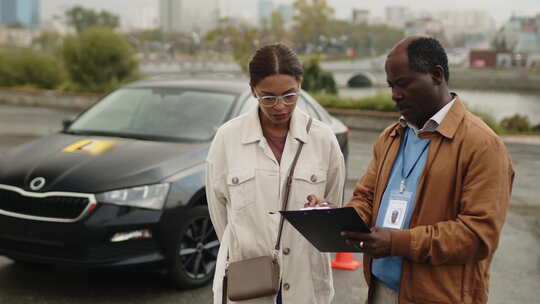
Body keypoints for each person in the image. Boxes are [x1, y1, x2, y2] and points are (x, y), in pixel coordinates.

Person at [306, 36, 515, 303]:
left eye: (403, 84)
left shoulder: (482, 145)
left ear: (436, 75)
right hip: (381, 290)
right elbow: (366, 199)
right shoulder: (391, 136)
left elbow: (478, 235)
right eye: (391, 86)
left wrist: (398, 242)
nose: (395, 95)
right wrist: (335, 218)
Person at [206, 43, 346, 304]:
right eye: (268, 97)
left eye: (289, 95)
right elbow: (220, 215)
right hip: (250, 280)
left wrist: (323, 209)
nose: (280, 106)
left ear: (300, 85)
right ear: (252, 90)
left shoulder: (322, 138)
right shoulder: (228, 138)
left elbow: (334, 203)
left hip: (306, 278)